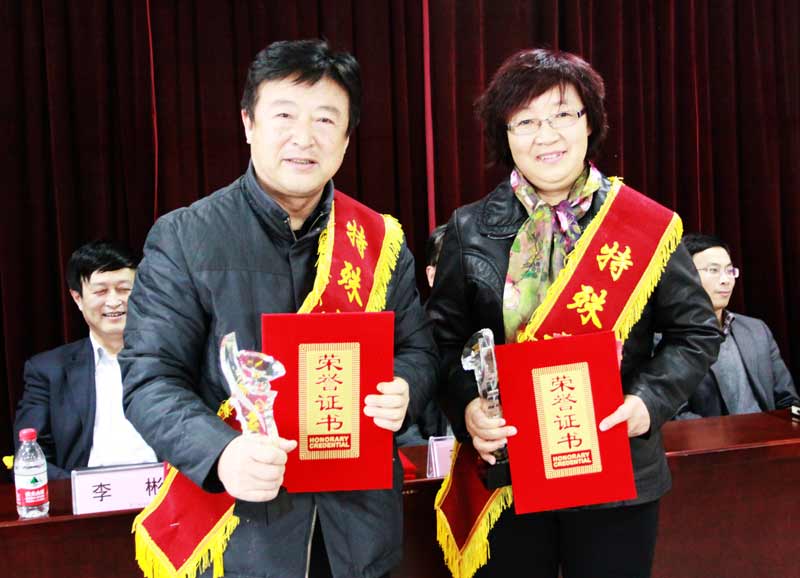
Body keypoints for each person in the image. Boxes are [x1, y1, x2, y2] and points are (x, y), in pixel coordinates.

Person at [119, 39, 437, 578]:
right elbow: (149, 379)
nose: (304, 138)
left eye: (325, 119)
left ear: (346, 138)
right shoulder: (185, 237)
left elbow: (418, 351)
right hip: (243, 534)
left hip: (360, 535)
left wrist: (404, 388)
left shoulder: (379, 241)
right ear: (248, 123)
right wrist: (222, 453)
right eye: (284, 114)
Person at [426, 48, 721, 578]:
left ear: (590, 123)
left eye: (563, 114)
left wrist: (648, 402)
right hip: (508, 475)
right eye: (525, 121)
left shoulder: (644, 224)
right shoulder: (469, 229)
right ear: (505, 135)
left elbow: (695, 332)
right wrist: (467, 408)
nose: (546, 135)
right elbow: (441, 342)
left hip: (619, 471)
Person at [14, 241, 156, 480]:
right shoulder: (47, 371)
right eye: (101, 292)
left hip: (164, 494)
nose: (114, 301)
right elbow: (30, 455)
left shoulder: (173, 357)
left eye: (124, 289)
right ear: (77, 298)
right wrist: (81, 490)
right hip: (88, 496)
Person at [675, 233, 798, 418]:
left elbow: (788, 400)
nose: (726, 280)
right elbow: (676, 416)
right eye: (713, 270)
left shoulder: (757, 330)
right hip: (713, 436)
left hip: (771, 434)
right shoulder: (665, 339)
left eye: (730, 270)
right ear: (686, 275)